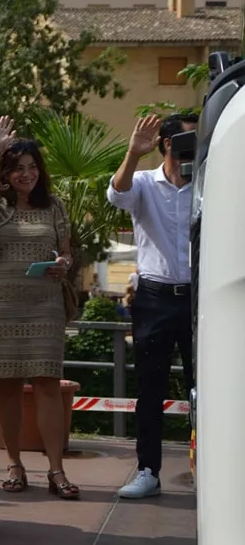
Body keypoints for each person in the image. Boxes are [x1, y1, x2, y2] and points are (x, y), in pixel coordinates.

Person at [0, 116, 79, 500]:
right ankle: (14, 464)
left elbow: (66, 254)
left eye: (32, 168)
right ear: (7, 173)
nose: (26, 175)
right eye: (18, 168)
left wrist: (63, 266)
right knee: (8, 387)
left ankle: (56, 469)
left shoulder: (55, 207)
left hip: (44, 307)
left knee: (47, 384)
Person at [107, 113, 197, 499]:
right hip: (155, 298)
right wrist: (132, 152)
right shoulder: (144, 182)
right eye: (186, 142)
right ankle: (148, 471)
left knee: (205, 389)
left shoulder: (208, 183)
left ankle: (211, 469)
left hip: (198, 298)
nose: (194, 149)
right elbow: (116, 194)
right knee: (151, 389)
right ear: (166, 145)